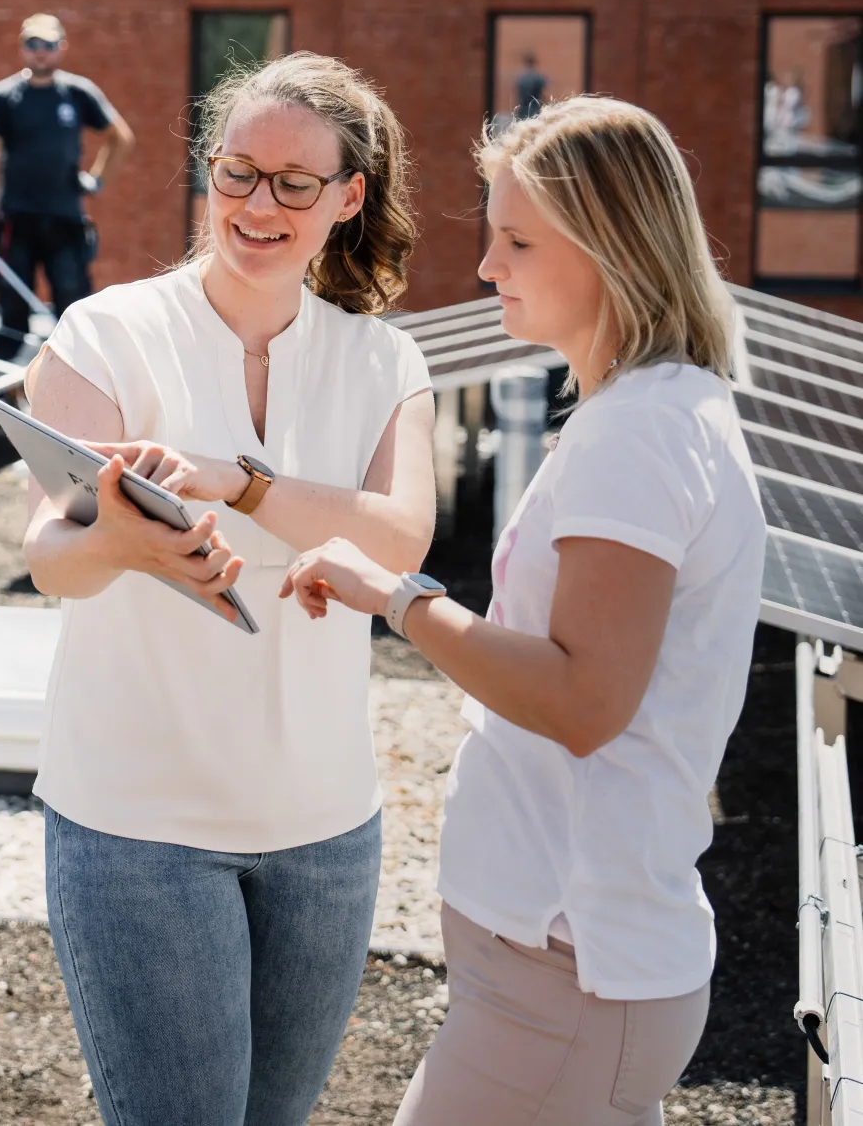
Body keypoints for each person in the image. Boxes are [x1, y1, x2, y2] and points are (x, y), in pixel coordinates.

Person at [282, 98, 766, 1126]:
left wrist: (397, 598)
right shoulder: (655, 410)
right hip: (566, 972)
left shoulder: (636, 435)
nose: (488, 267)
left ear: (606, 249)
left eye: (515, 241)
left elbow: (586, 699)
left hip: (567, 974)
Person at [20, 52, 435, 1126]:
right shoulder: (105, 334)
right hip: (136, 830)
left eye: (295, 183)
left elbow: (398, 538)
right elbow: (48, 557)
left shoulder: (387, 364)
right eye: (237, 171)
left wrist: (237, 484)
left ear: (348, 198)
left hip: (327, 831)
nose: (258, 204)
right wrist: (124, 541)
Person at [0, 13, 134, 336]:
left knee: (74, 310)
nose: (40, 51)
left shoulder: (77, 93)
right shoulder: (4, 97)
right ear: (22, 48)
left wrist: (96, 178)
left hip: (65, 221)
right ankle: (10, 386)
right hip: (16, 220)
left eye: (48, 44)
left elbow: (121, 137)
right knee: (13, 312)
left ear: (62, 47)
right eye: (33, 44)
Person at [514, 51, 547, 119]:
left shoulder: (521, 78)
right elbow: (543, 95)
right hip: (536, 109)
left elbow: (518, 95)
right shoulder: (538, 77)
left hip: (523, 110)